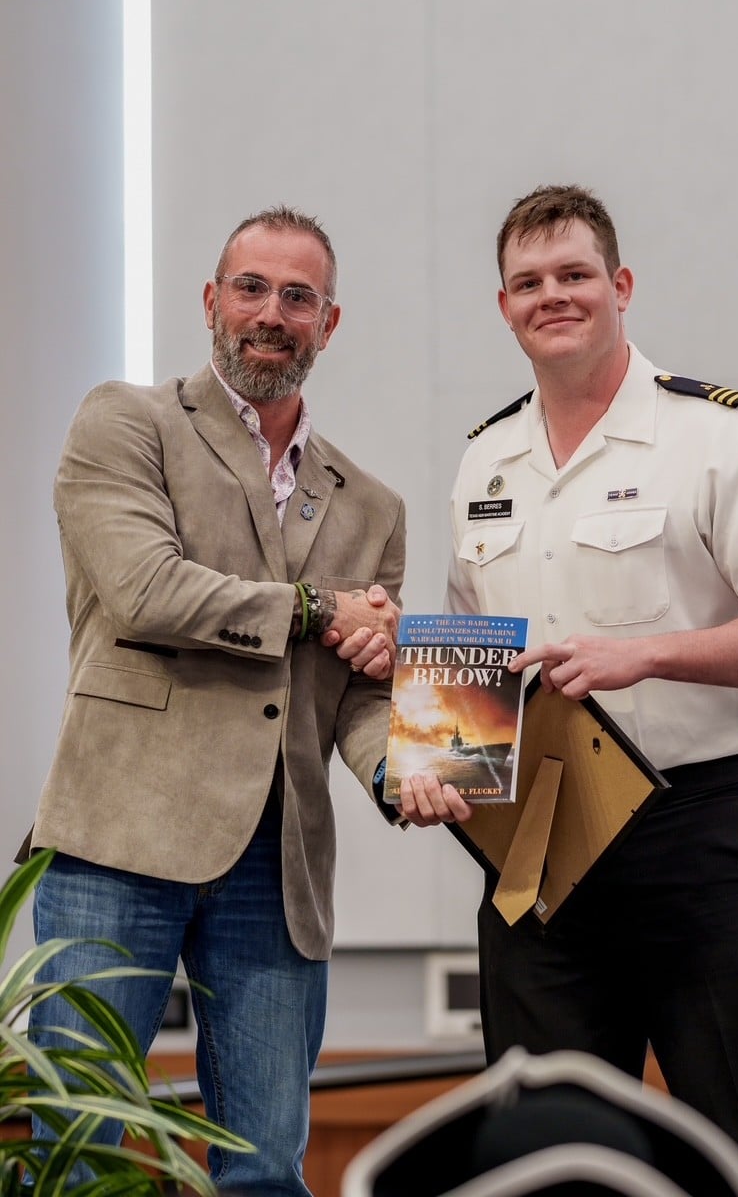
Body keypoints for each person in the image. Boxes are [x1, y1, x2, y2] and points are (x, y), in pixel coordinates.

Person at [397, 184, 738, 1197]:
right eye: (527, 282)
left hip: (700, 837)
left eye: (574, 274)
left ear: (621, 285)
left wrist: (644, 655)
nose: (551, 296)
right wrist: (431, 769)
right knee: (543, 1161)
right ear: (503, 305)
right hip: (538, 846)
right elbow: (473, 665)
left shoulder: (716, 435)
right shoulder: (485, 458)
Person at [19, 204, 431, 1196]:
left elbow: (354, 694)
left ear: (329, 322)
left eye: (299, 296)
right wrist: (317, 607)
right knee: (80, 1155)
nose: (271, 313)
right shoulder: (126, 423)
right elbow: (146, 590)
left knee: (265, 1173)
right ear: (212, 300)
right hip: (118, 840)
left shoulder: (373, 507)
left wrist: (401, 768)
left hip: (276, 868)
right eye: (251, 288)